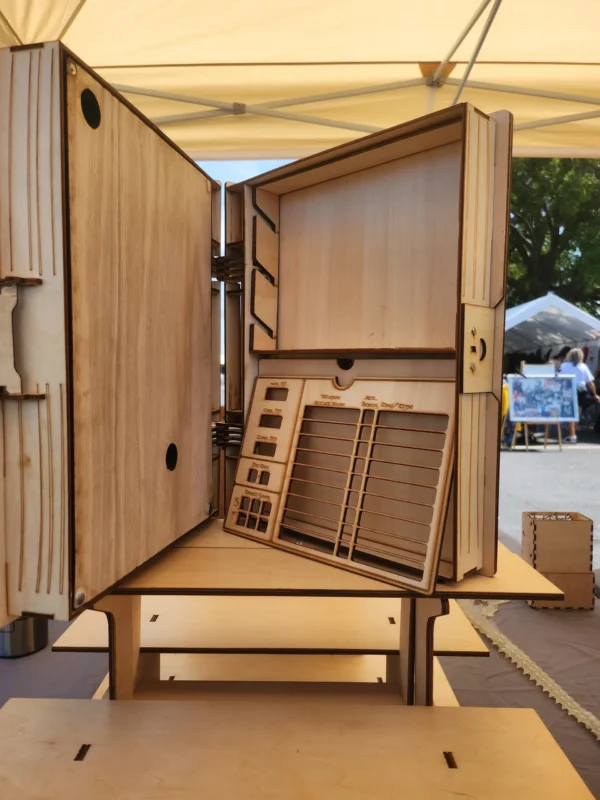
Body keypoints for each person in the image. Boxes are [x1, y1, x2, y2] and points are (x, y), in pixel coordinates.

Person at [559, 348, 600, 443]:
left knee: (570, 413)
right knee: (577, 412)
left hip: (568, 390)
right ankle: (573, 433)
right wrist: (595, 394)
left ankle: (572, 435)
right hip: (582, 391)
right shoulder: (583, 366)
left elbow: (559, 378)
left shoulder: (564, 365)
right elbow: (590, 382)